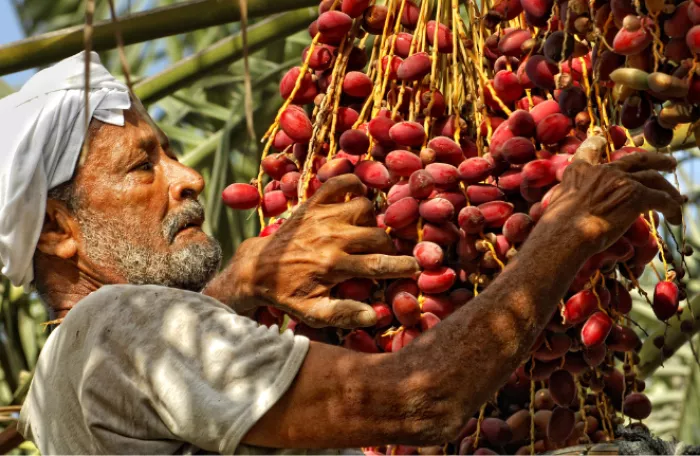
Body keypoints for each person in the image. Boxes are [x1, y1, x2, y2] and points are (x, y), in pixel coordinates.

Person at [0, 52, 683, 455]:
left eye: (172, 150)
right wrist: (568, 231)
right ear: (59, 230)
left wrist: (241, 281)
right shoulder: (116, 327)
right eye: (142, 166)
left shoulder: (65, 373)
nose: (189, 176)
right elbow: (427, 399)